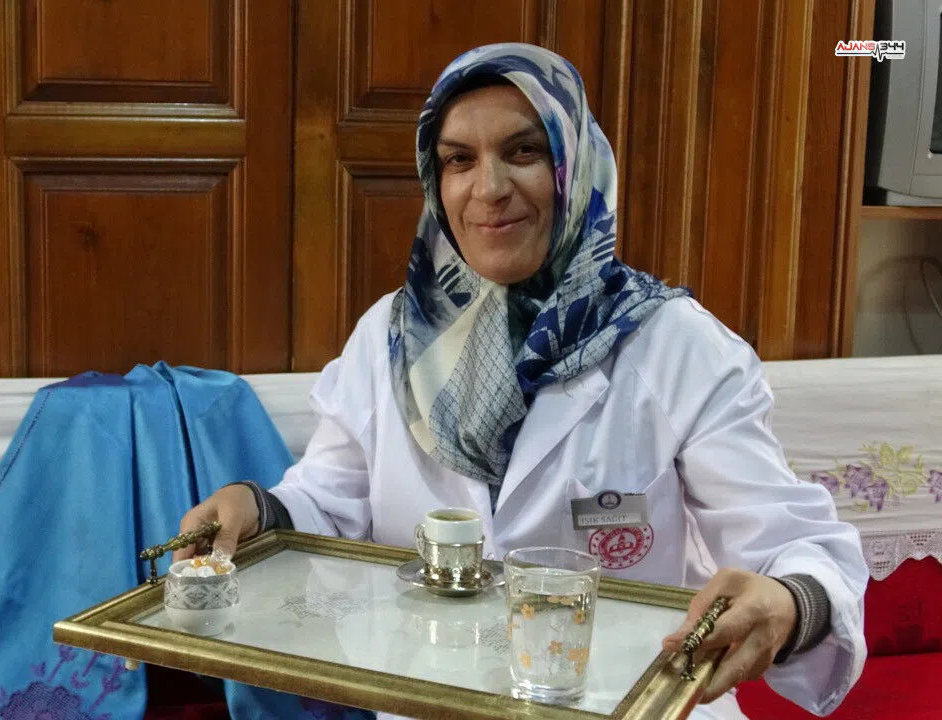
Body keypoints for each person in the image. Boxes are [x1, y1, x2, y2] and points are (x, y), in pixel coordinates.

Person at [176, 43, 866, 719]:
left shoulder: (674, 345)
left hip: (624, 702)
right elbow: (330, 504)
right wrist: (255, 508)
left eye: (524, 151)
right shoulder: (391, 337)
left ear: (575, 165)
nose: (489, 189)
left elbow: (793, 543)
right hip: (431, 697)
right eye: (459, 160)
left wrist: (792, 600)